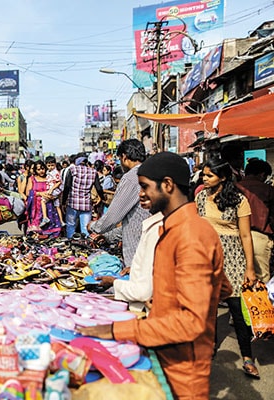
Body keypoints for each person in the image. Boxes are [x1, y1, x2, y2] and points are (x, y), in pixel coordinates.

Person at [79, 151, 229, 400]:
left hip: (183, 369)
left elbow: (192, 322)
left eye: (145, 187)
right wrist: (164, 299)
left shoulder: (190, 235)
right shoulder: (174, 228)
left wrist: (117, 330)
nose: (140, 194)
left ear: (168, 185)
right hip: (164, 352)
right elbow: (222, 287)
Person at [195, 157, 260, 379]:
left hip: (233, 258)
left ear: (222, 177)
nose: (204, 178)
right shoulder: (201, 197)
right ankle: (209, 348)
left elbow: (245, 236)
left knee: (237, 311)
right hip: (206, 257)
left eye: (209, 175)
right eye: (203, 174)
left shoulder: (239, 200)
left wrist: (250, 268)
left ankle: (247, 358)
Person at [88, 139, 150, 267]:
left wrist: (94, 227)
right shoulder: (150, 173)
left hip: (138, 252)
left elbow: (113, 216)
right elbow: (136, 220)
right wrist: (108, 236)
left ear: (124, 157)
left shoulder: (131, 177)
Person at [236, 158, 274, 283]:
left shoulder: (234, 188)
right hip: (259, 237)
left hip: (235, 236)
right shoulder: (267, 190)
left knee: (239, 279)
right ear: (262, 175)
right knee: (261, 280)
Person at [61, 153, 101, 238]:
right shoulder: (93, 172)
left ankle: (70, 245)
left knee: (71, 227)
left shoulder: (72, 170)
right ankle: (86, 247)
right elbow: (99, 188)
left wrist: (63, 202)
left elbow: (67, 187)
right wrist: (101, 197)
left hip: (72, 204)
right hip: (86, 205)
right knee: (85, 229)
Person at [26, 160, 62, 237]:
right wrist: (40, 193)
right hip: (36, 207)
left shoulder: (49, 177)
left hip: (49, 205)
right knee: (36, 233)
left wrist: (53, 196)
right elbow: (28, 192)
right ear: (35, 170)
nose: (41, 171)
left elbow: (57, 187)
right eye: (38, 169)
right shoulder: (32, 179)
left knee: (51, 230)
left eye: (42, 168)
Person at [40, 156, 64, 226]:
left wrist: (51, 189)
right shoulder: (49, 172)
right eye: (49, 165)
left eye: (52, 165)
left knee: (43, 201)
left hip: (54, 191)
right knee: (57, 206)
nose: (50, 167)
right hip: (54, 191)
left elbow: (59, 182)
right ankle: (61, 221)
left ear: (55, 164)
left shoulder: (55, 172)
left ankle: (45, 217)